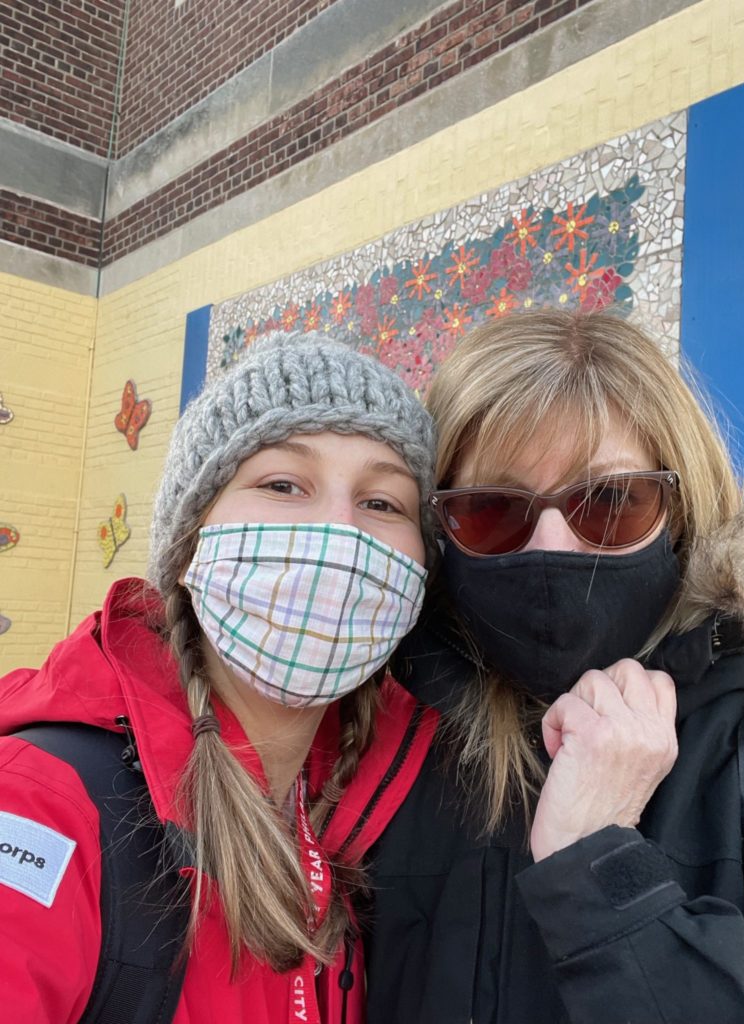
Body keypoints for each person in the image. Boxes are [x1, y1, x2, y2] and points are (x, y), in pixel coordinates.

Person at [0, 334, 439, 1023]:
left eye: (383, 503)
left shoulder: (374, 814)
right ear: (187, 547)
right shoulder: (39, 801)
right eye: (282, 484)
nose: (339, 532)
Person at [365, 308, 744, 1023]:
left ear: (679, 507)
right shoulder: (380, 725)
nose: (554, 546)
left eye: (610, 502)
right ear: (440, 527)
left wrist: (598, 863)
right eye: (492, 508)